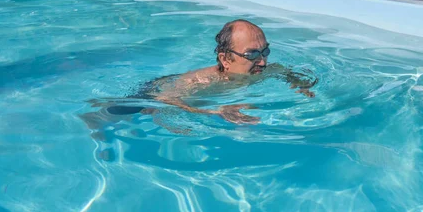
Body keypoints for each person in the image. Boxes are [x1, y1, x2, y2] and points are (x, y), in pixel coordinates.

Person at [129, 19, 318, 124]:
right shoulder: (202, 82)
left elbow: (284, 71)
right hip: (151, 93)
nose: (262, 62)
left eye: (265, 51)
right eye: (252, 54)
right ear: (225, 59)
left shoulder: (264, 70)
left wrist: (300, 84)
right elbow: (165, 101)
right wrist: (215, 112)